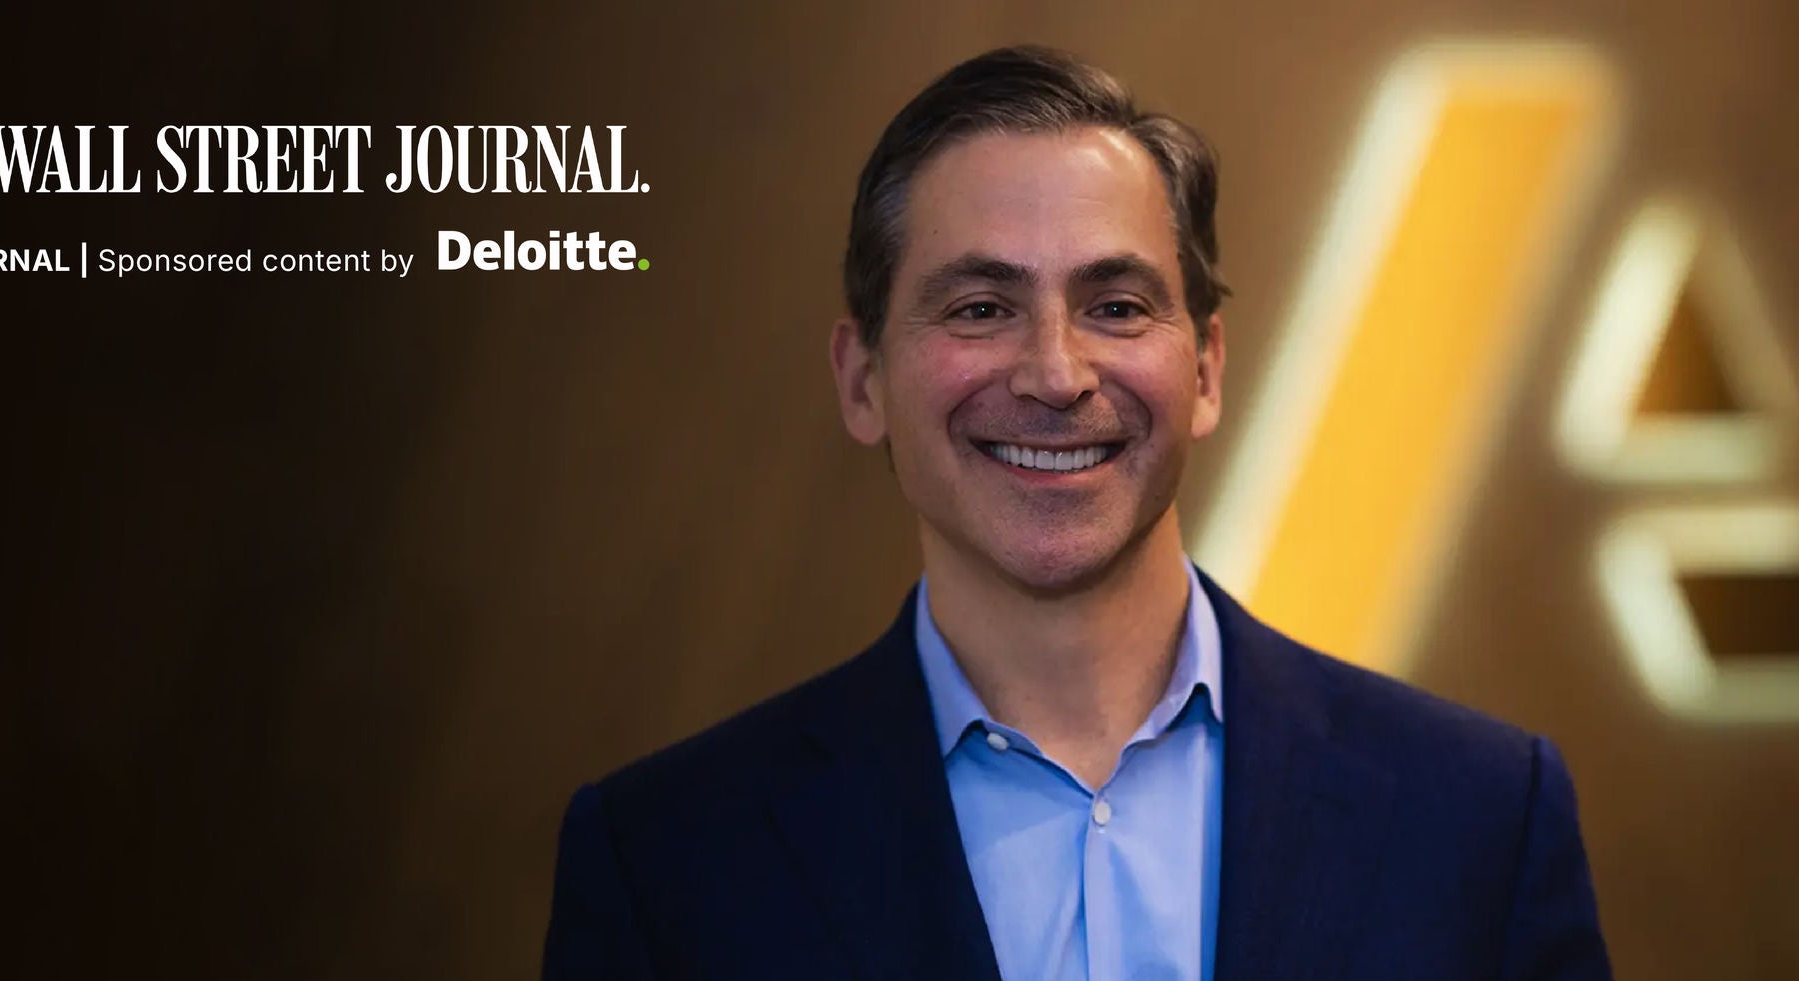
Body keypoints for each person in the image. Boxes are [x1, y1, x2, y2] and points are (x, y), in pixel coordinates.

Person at [542, 45, 1610, 981]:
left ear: (1202, 366)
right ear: (860, 379)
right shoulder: (664, 860)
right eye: (979, 308)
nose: (1055, 373)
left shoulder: (1478, 815)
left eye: (1113, 306)